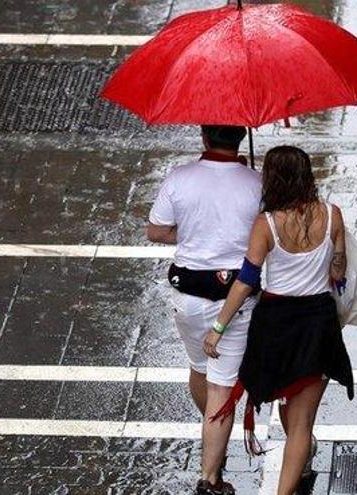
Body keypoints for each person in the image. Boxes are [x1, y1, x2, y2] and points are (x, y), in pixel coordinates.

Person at [205, 146, 354, 495]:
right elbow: (339, 271)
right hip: (318, 322)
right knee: (302, 424)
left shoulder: (267, 223)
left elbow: (246, 280)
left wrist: (218, 328)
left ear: (272, 178)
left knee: (287, 404)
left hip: (277, 324)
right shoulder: (332, 214)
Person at [147, 125, 262, 495]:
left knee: (200, 370)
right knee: (222, 389)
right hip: (235, 304)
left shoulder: (179, 178)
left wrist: (196, 233)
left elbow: (157, 231)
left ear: (204, 137)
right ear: (241, 137)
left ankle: (214, 431)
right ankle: (210, 479)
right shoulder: (256, 182)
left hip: (188, 300)